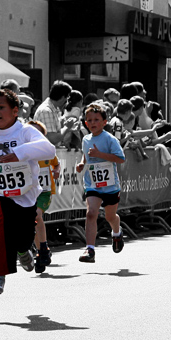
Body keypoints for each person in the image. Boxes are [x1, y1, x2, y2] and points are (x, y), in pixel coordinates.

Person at [0, 89, 55, 294]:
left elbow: (48, 149)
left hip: (27, 194)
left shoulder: (25, 131)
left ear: (15, 111)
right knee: (3, 227)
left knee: (23, 237)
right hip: (1, 191)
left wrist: (18, 153)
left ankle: (23, 250)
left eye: (1, 108)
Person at [76, 103, 126, 263]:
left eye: (96, 119)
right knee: (91, 213)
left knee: (110, 217)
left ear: (105, 122)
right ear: (85, 123)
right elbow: (86, 155)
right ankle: (89, 249)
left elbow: (120, 158)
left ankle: (117, 233)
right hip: (92, 184)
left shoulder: (109, 139)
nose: (92, 123)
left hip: (110, 185)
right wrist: (82, 163)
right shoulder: (85, 139)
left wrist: (100, 154)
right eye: (89, 120)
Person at [25, 120, 60, 274]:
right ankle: (41, 252)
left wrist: (57, 170)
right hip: (28, 191)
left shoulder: (47, 150)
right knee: (31, 222)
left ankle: (43, 248)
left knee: (36, 215)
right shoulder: (22, 150)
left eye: (38, 132)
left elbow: (56, 163)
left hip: (44, 192)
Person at [33, 80, 78, 146]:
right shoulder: (46, 111)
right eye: (67, 97)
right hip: (44, 154)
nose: (67, 101)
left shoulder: (54, 109)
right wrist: (67, 127)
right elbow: (53, 139)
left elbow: (56, 134)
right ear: (63, 97)